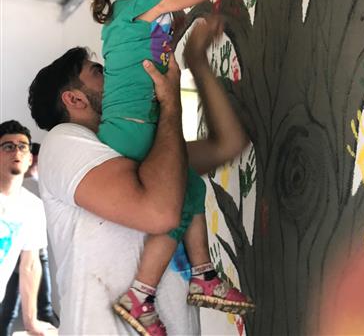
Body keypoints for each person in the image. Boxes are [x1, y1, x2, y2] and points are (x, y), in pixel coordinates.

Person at [86, 0, 267, 333]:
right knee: (176, 201)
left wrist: (179, 29)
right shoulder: (148, 1)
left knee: (190, 191)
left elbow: (153, 45)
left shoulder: (119, 18)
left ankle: (201, 274)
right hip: (138, 127)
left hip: (123, 130)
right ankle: (143, 293)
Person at [28, 17, 249, 336]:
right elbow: (160, 213)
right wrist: (170, 103)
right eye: (99, 73)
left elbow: (227, 144)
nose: (116, 78)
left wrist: (197, 64)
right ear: (74, 99)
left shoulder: (140, 151)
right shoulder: (63, 141)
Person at [0, 120, 55, 336]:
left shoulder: (33, 206)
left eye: (23, 146)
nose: (17, 151)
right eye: (8, 146)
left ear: (30, 158)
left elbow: (30, 265)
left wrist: (31, 322)